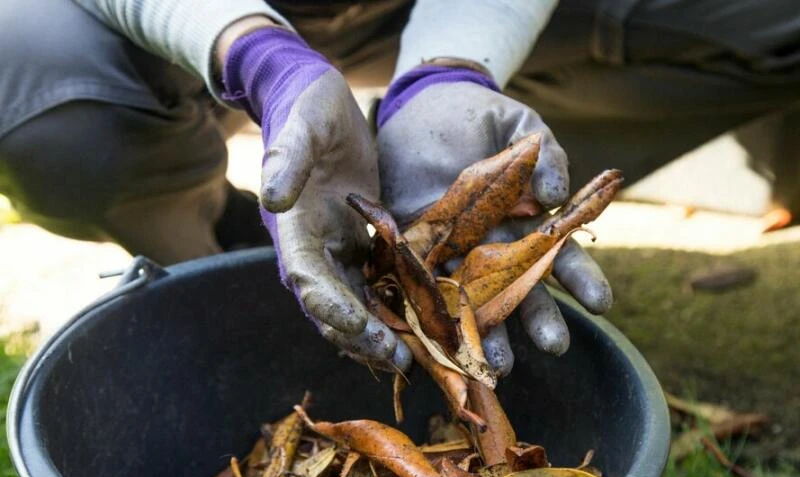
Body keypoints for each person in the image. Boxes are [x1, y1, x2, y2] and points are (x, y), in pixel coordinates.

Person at [1, 1, 798, 374]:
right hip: (188, 24)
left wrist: (451, 66)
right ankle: (225, 254)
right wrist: (254, 53)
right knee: (32, 86)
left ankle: (468, 159)